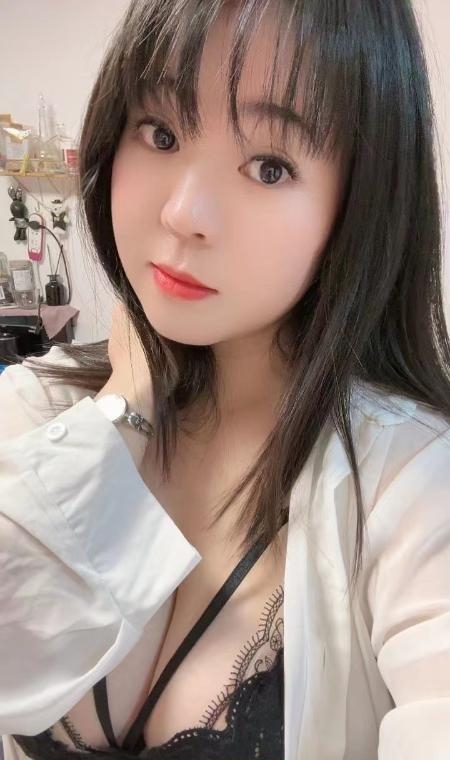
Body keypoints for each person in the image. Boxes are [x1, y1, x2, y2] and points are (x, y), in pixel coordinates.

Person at [1, 0, 450, 758]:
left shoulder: (412, 485)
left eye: (269, 167)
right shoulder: (38, 407)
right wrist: (122, 412)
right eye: (161, 132)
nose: (184, 213)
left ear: (360, 205)